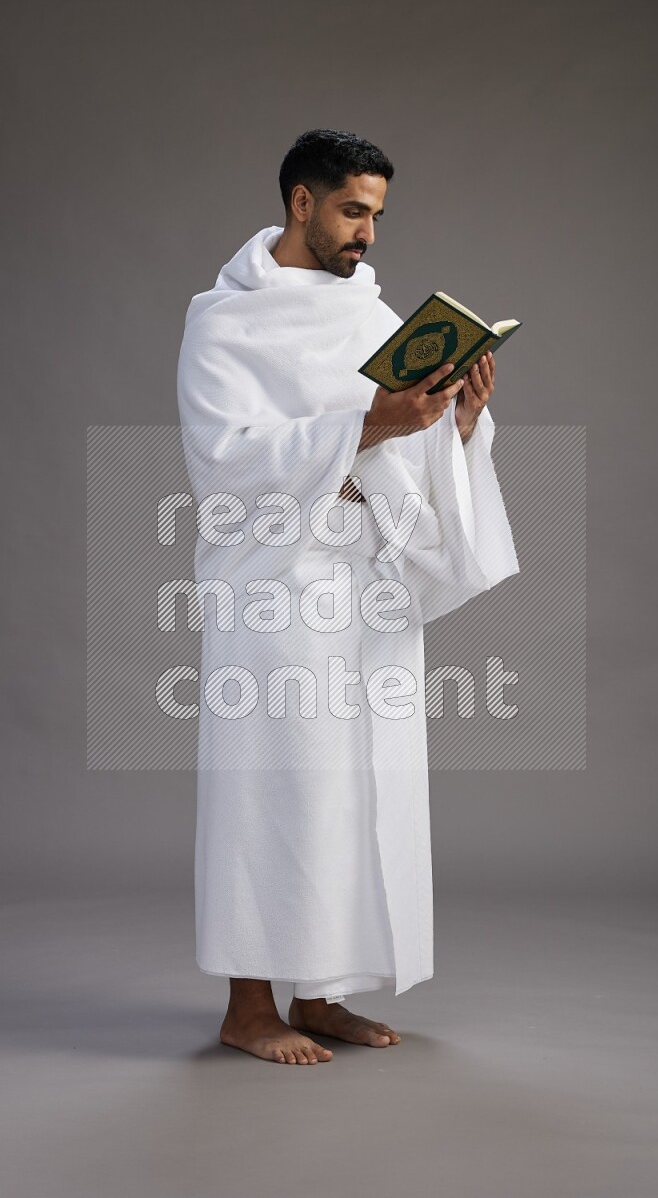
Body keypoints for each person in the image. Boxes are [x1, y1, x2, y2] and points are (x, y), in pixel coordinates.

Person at [176, 128, 519, 1064]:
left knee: (352, 788)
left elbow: (398, 451)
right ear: (300, 202)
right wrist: (371, 420)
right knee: (271, 784)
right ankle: (250, 1005)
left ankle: (319, 993)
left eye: (377, 214)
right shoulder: (223, 322)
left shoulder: (371, 317)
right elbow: (222, 459)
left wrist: (457, 423)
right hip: (273, 590)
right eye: (352, 210)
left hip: (364, 584)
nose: (368, 232)